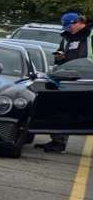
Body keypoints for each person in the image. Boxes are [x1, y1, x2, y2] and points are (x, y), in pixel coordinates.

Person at [40, 10, 89, 153]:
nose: (68, 29)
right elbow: (61, 53)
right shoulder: (68, 38)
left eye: (69, 26)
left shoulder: (89, 36)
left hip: (88, 77)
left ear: (79, 22)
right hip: (69, 77)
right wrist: (59, 57)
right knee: (63, 109)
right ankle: (58, 142)